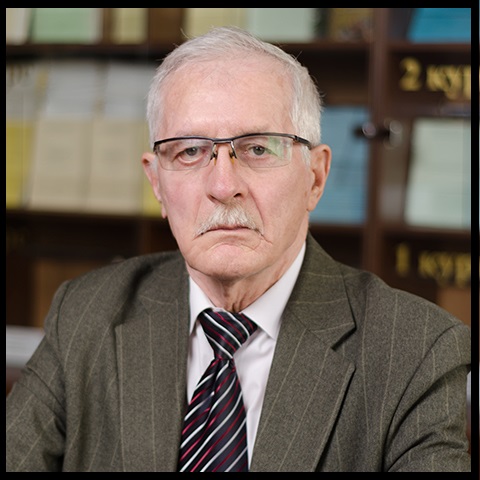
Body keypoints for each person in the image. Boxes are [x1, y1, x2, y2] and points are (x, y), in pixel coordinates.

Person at [6, 26, 471, 472]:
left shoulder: (415, 351)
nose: (223, 186)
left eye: (258, 149)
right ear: (157, 183)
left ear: (315, 177)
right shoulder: (86, 313)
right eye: (189, 151)